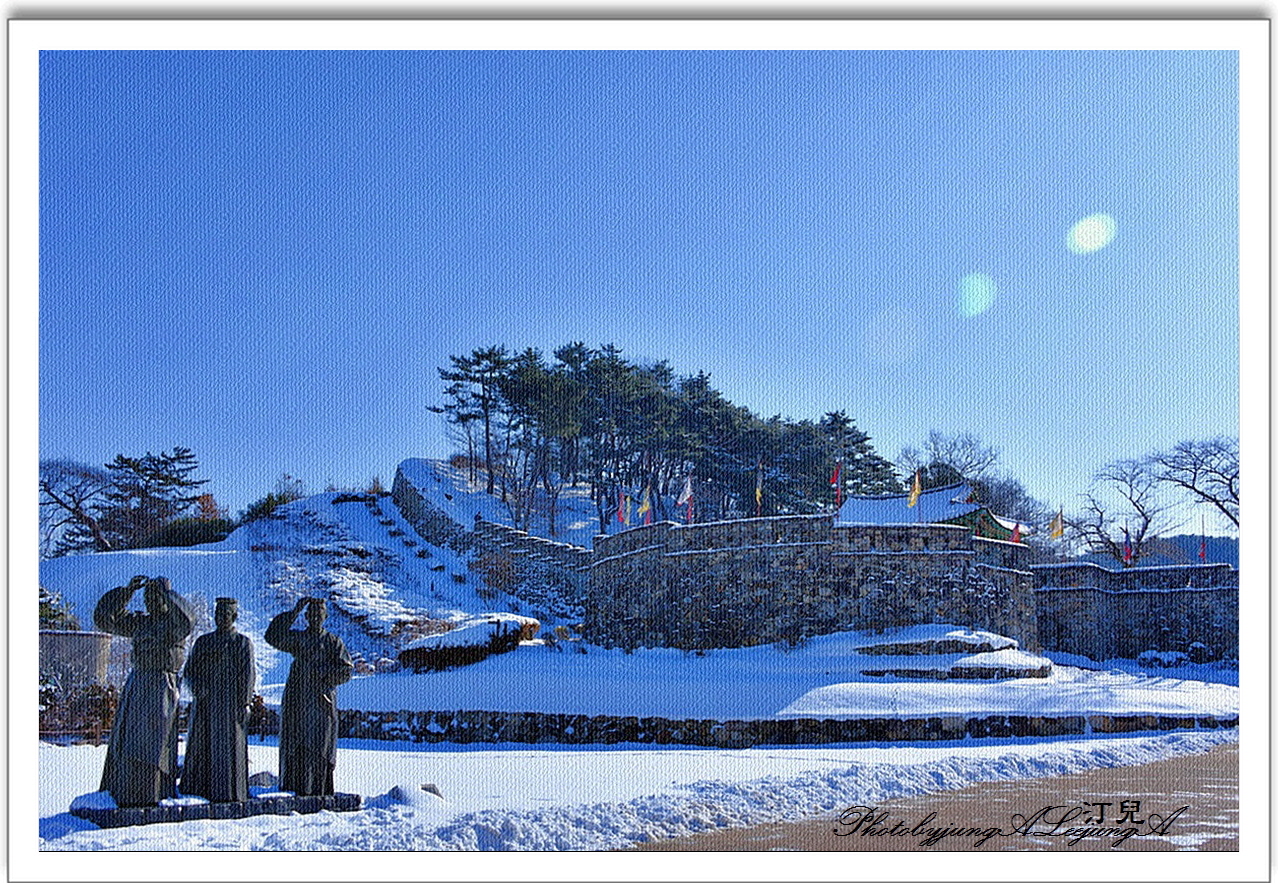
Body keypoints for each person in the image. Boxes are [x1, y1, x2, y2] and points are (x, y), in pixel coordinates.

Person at [94, 576, 195, 807]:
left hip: (161, 684)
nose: (150, 602)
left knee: (152, 742)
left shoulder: (173, 625)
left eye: (155, 597)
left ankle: (150, 791)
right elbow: (105, 620)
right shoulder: (141, 623)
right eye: (147, 598)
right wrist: (127, 592)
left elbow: (187, 620)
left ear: (165, 600)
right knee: (128, 739)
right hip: (137, 682)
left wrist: (168, 592)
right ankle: (125, 787)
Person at [265, 598, 353, 796]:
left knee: (320, 744)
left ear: (325, 617)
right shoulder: (298, 639)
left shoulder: (333, 642)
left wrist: (324, 674)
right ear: (306, 617)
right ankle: (294, 785)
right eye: (311, 614)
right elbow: (272, 637)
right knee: (296, 741)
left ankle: (319, 788)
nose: (315, 618)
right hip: (297, 698)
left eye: (319, 614)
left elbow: (346, 670)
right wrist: (294, 611)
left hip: (321, 701)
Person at [181, 597, 255, 802]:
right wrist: (197, 688)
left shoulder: (242, 643)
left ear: (234, 617)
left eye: (225, 614)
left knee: (228, 749)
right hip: (205, 704)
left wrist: (244, 702)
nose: (220, 618)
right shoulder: (203, 642)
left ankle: (228, 791)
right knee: (201, 745)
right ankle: (197, 789)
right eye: (217, 614)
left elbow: (248, 675)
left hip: (229, 705)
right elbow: (189, 671)